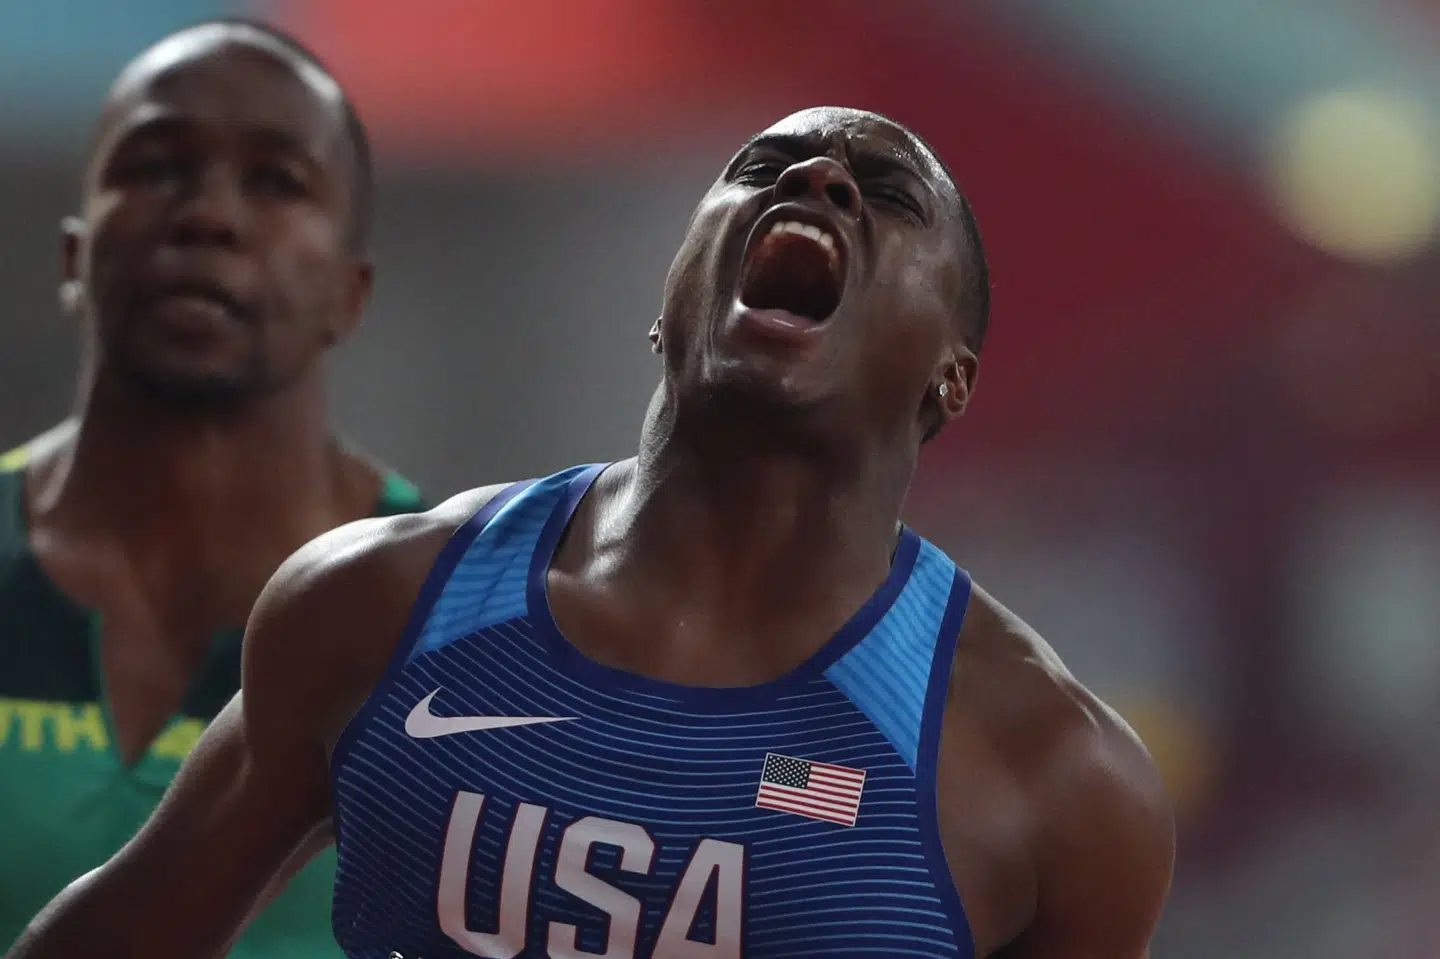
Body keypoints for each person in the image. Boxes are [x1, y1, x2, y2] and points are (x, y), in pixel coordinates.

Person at [6, 106, 1174, 959]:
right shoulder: (372, 603)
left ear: (952, 378)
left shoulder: (1056, 781)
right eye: (762, 169)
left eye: (886, 192)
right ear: (667, 303)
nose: (817, 179)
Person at [0, 18, 424, 959]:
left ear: (351, 292)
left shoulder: (448, 612)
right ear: (73, 256)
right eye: (156, 166)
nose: (209, 216)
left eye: (276, 181)